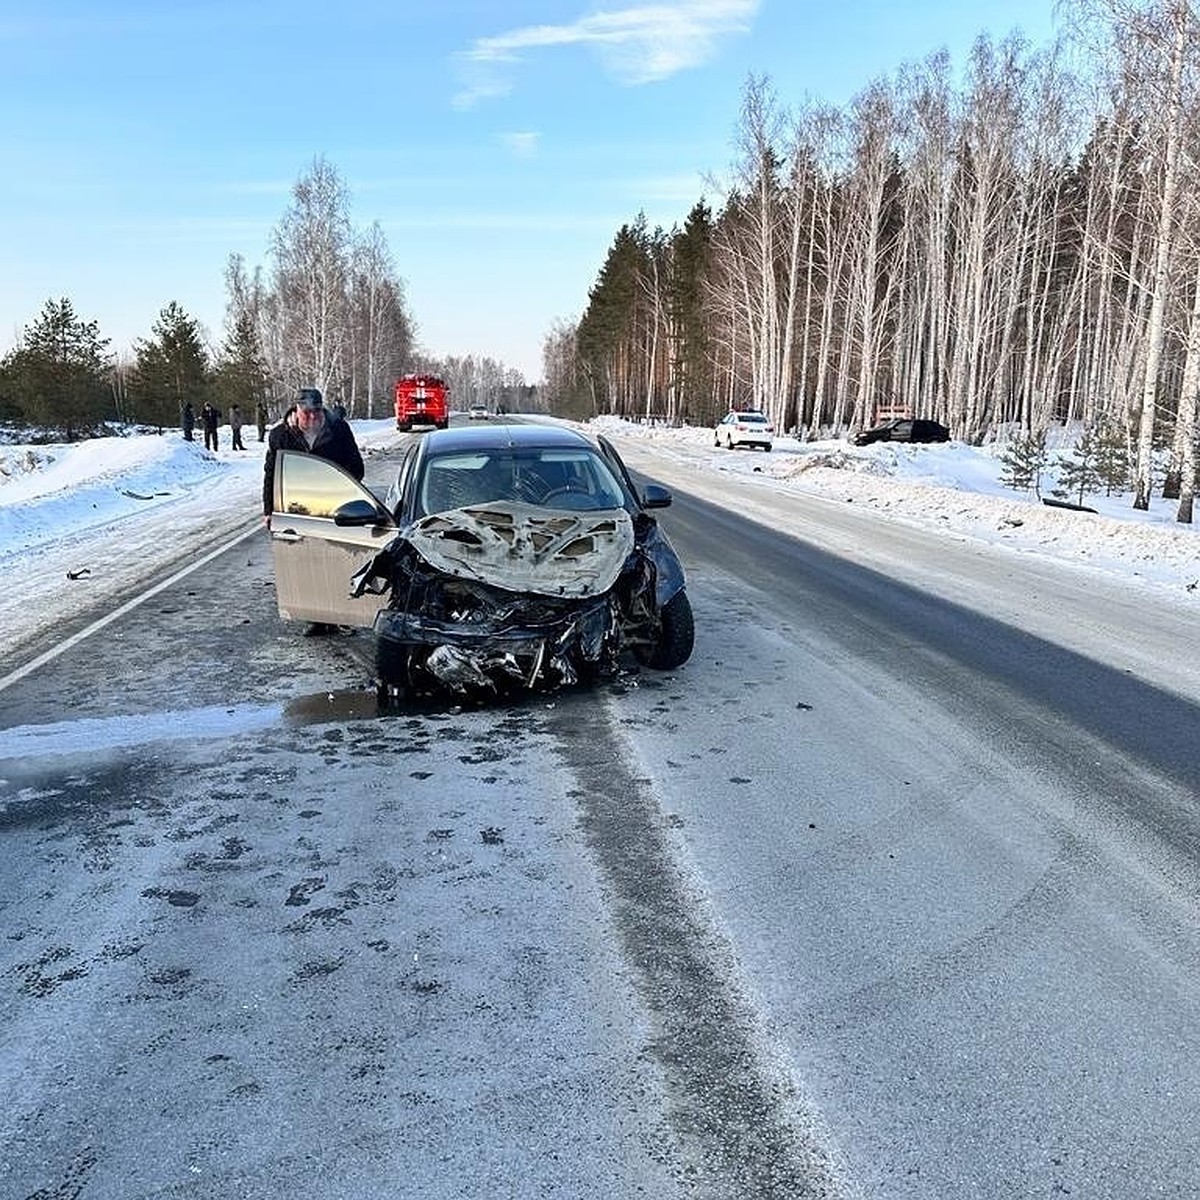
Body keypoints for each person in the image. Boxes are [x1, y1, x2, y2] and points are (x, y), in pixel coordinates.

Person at [262, 388, 365, 635]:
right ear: (296, 410)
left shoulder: (338, 430)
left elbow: (356, 467)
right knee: (309, 562)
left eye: (317, 411)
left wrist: (340, 487)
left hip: (336, 505)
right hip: (300, 508)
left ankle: (342, 615)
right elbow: (271, 473)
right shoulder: (280, 435)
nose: (312, 417)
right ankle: (317, 617)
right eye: (307, 412)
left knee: (339, 560)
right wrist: (269, 509)